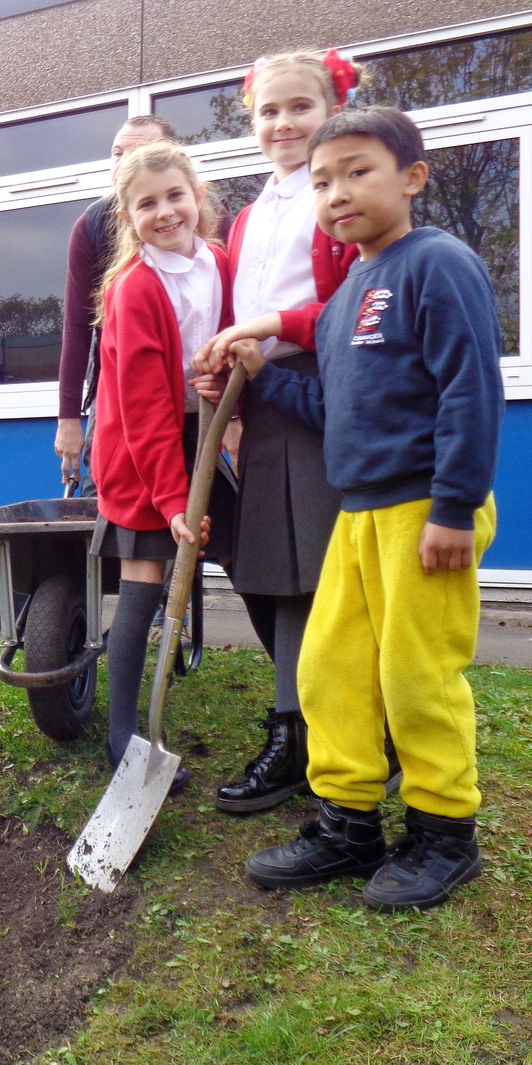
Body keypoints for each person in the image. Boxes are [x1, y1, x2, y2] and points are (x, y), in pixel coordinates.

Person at [217, 107, 503, 910]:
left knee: (417, 675)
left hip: (425, 510)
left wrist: (453, 506)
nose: (337, 192)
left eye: (357, 171)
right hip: (360, 511)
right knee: (330, 667)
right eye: (321, 181)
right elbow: (333, 407)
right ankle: (348, 824)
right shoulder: (347, 297)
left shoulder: (435, 263)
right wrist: (262, 374)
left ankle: (444, 833)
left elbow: (472, 389)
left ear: (413, 178)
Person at [193, 50, 366, 815]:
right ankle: (316, 721)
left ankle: (306, 732)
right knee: (265, 562)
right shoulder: (249, 214)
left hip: (318, 385)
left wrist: (266, 329)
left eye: (301, 107)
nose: (284, 123)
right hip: (260, 390)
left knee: (314, 574)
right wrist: (221, 364)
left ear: (332, 110)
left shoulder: (338, 200)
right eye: (269, 111)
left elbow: (352, 305)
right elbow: (235, 307)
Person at [90, 141, 236, 788]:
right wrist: (173, 501)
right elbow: (145, 404)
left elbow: (235, 338)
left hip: (197, 432)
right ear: (128, 217)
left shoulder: (220, 264)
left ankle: (296, 713)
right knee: (144, 577)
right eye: (146, 203)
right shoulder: (134, 288)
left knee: (243, 554)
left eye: (175, 194)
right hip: (140, 445)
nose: (165, 211)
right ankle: (124, 731)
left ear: (198, 197)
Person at [55, 115, 177, 494]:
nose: (124, 162)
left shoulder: (203, 217)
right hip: (116, 392)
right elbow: (77, 325)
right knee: (107, 501)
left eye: (138, 153)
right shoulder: (92, 226)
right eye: (117, 154)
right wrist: (69, 418)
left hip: (190, 387)